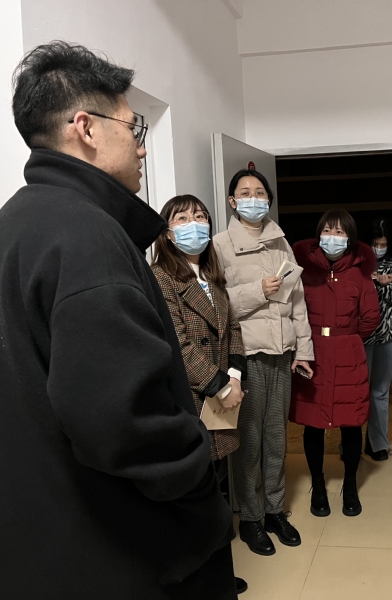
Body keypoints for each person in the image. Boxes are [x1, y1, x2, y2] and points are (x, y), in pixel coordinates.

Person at [0, 42, 236, 599]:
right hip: (110, 550)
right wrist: (198, 474)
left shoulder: (13, 223)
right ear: (85, 128)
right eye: (134, 128)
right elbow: (122, 422)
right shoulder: (85, 236)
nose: (142, 147)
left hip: (40, 542)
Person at [151, 194, 249, 595]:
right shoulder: (161, 277)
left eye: (201, 216)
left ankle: (217, 574)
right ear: (167, 232)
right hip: (193, 399)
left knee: (218, 488)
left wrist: (236, 375)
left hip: (223, 398)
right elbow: (177, 343)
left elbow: (233, 329)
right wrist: (220, 385)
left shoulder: (212, 274)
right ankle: (199, 580)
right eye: (183, 218)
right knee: (195, 496)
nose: (195, 223)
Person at [214, 169, 314, 557]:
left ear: (268, 200)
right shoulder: (220, 245)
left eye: (260, 192)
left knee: (276, 438)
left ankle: (274, 510)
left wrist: (303, 350)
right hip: (247, 355)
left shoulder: (281, 242)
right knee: (249, 439)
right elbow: (217, 306)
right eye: (245, 192)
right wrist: (257, 290)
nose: (253, 198)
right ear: (232, 201)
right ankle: (251, 517)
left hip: (281, 353)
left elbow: (297, 303)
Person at [291, 210, 380, 517]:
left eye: (340, 232)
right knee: (313, 423)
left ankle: (350, 484)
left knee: (351, 422)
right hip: (311, 352)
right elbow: (293, 311)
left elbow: (371, 317)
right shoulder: (303, 271)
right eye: (328, 230)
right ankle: (318, 485)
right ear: (319, 234)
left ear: (350, 238)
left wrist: (348, 339)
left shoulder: (360, 273)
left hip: (348, 355)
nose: (333, 237)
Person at [363, 219, 392, 460]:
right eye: (375, 243)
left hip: (389, 334)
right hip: (361, 335)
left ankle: (378, 443)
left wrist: (384, 286)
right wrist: (369, 281)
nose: (379, 248)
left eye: (383, 244)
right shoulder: (358, 262)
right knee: (356, 390)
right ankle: (350, 443)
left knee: (380, 391)